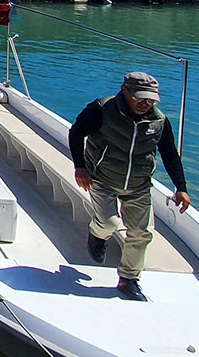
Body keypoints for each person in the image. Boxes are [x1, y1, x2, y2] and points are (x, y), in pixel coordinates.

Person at [68, 72, 191, 302]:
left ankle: (129, 280)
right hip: (102, 178)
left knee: (141, 233)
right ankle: (97, 234)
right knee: (109, 222)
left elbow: (170, 154)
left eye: (151, 100)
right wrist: (80, 167)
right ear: (125, 91)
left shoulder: (159, 121)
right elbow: (76, 133)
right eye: (141, 98)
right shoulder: (101, 110)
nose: (146, 104)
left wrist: (180, 187)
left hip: (139, 185)